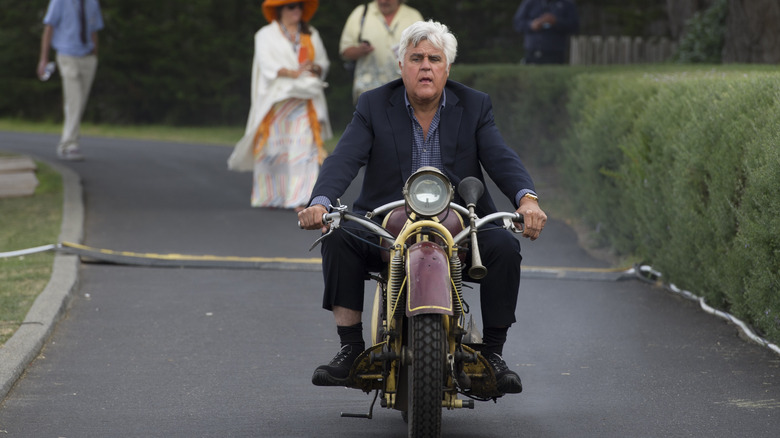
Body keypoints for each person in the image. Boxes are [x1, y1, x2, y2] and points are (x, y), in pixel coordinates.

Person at [298, 20, 547, 395]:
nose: (425, 66)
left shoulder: (475, 105)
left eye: (434, 58)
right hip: (385, 221)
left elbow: (500, 156)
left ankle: (492, 354)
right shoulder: (373, 103)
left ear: (447, 68)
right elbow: (344, 158)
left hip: (460, 222)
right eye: (416, 58)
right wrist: (319, 202)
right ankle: (350, 349)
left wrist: (527, 199)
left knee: (505, 247)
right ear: (402, 66)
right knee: (337, 236)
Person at [228, 0, 332, 211]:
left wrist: (313, 67)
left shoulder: (310, 33)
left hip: (305, 102)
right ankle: (271, 196)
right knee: (274, 149)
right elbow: (267, 66)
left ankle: (301, 199)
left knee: (303, 149)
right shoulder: (265, 35)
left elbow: (323, 63)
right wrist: (291, 72)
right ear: (279, 10)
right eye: (291, 6)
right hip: (277, 103)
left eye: (300, 6)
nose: (297, 10)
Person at [37, 0, 104, 161]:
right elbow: (49, 27)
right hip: (67, 55)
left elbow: (94, 30)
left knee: (80, 103)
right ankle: (69, 145)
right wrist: (43, 59)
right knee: (75, 100)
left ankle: (68, 141)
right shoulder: (60, 1)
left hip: (87, 56)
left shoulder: (92, 2)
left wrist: (95, 55)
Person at [339, 0, 423, 103]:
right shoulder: (361, 13)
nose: (383, 1)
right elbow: (345, 51)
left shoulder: (413, 16)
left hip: (405, 93)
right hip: (368, 93)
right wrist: (359, 50)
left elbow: (424, 52)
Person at [512, 0, 579, 65]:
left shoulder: (566, 3)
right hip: (532, 51)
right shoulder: (530, 2)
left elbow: (575, 26)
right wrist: (531, 25)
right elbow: (517, 23)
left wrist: (556, 22)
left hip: (555, 53)